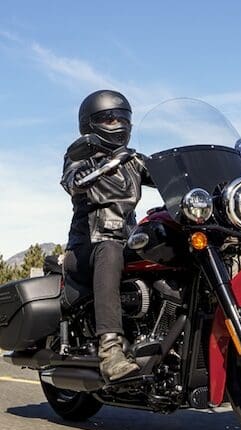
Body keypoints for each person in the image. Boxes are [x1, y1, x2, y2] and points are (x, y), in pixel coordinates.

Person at [61, 89, 153, 382]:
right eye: (109, 118)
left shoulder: (133, 161)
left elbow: (169, 175)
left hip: (125, 244)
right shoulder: (81, 155)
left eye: (122, 118)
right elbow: (72, 180)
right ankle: (110, 349)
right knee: (110, 248)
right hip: (86, 249)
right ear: (91, 123)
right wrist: (83, 177)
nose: (117, 123)